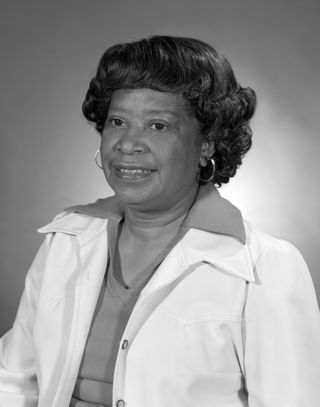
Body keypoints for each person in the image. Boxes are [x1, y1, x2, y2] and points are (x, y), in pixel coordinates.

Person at [0, 35, 319, 407]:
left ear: (206, 144)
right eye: (117, 121)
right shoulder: (66, 239)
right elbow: (14, 381)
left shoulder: (267, 268)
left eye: (158, 126)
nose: (128, 144)